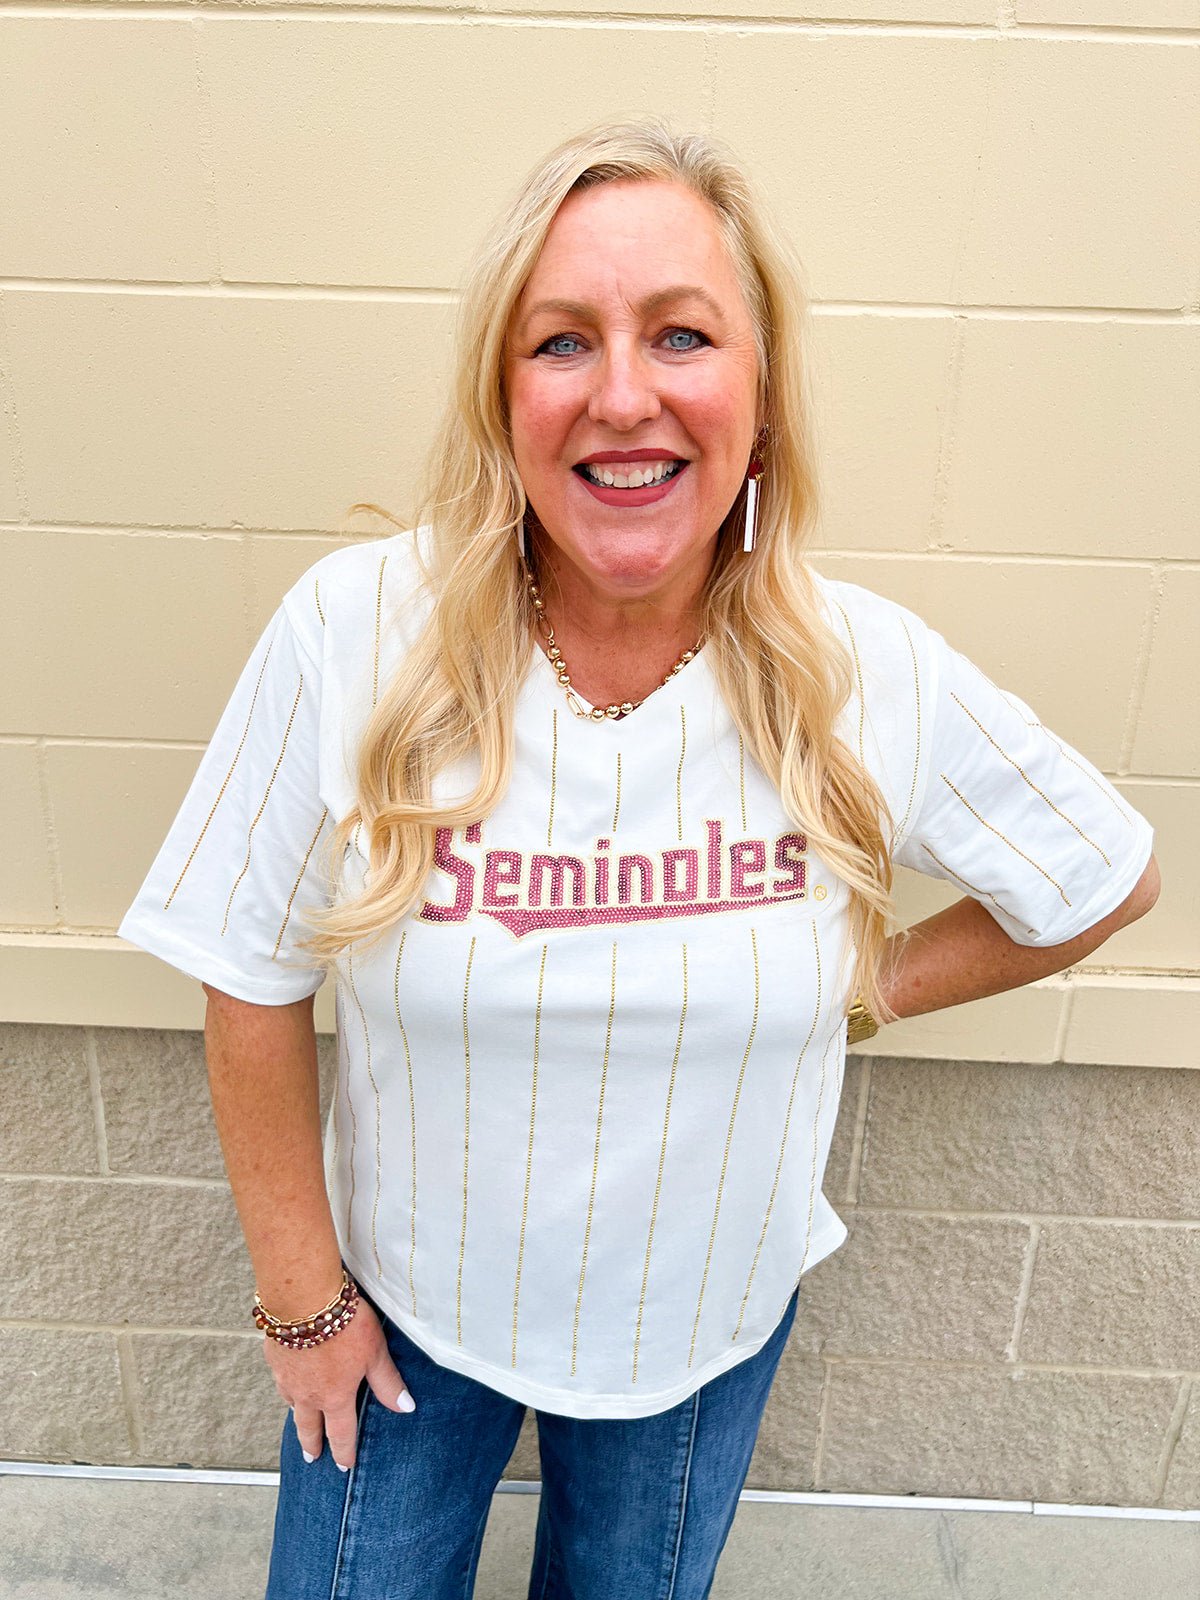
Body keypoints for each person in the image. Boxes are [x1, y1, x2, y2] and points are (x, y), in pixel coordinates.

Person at [118, 117, 1160, 1599]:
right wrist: (303, 1304)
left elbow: (1105, 874)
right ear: (502, 391)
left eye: (681, 335)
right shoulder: (358, 636)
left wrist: (868, 987)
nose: (623, 396)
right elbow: (247, 968)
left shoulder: (861, 672)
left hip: (701, 1336)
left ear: (762, 392)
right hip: (405, 1317)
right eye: (561, 343)